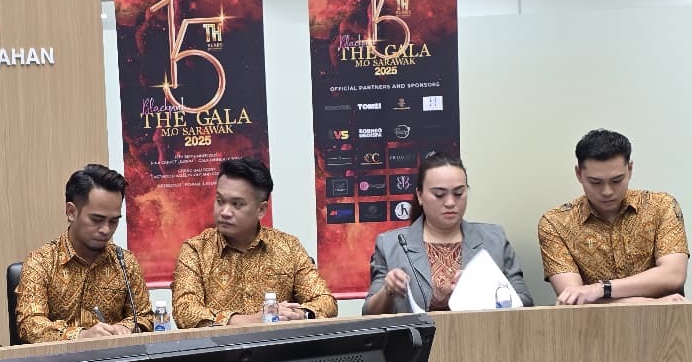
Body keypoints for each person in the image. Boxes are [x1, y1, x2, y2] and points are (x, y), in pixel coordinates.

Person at [172, 157, 337, 328]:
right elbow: (185, 311)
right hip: (217, 345)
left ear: (261, 210)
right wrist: (248, 321)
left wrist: (298, 314)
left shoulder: (289, 247)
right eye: (220, 201)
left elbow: (326, 302)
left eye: (237, 204)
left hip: (277, 344)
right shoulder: (196, 250)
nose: (225, 212)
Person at [363, 152, 532, 314]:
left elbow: (525, 302)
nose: (450, 202)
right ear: (420, 196)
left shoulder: (494, 239)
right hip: (417, 335)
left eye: (458, 193)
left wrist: (484, 290)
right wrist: (388, 291)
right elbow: (369, 313)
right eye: (439, 195)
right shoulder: (391, 245)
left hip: (483, 334)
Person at [538, 129, 688, 305]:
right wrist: (650, 303)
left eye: (616, 180)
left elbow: (673, 275)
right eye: (595, 182)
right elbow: (573, 299)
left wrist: (600, 289)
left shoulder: (661, 206)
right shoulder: (555, 223)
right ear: (579, 174)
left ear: (630, 169)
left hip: (666, 321)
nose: (607, 191)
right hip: (597, 323)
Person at [16, 164, 152, 342]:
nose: (106, 230)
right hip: (61, 359)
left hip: (115, 358)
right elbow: (30, 324)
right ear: (71, 212)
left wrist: (125, 327)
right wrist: (81, 336)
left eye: (113, 221)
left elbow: (144, 317)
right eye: (96, 219)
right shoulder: (41, 262)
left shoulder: (125, 262)